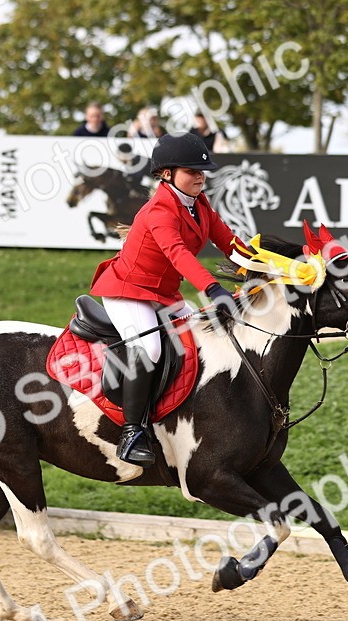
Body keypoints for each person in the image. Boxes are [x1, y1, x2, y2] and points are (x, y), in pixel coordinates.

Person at [89, 132, 238, 466]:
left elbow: (232, 244)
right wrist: (213, 289)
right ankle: (132, 431)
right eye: (192, 171)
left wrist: (274, 264)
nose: (201, 176)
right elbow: (178, 255)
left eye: (203, 170)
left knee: (201, 336)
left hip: (162, 293)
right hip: (127, 291)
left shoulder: (200, 205)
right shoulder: (159, 210)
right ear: (167, 174)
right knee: (151, 348)